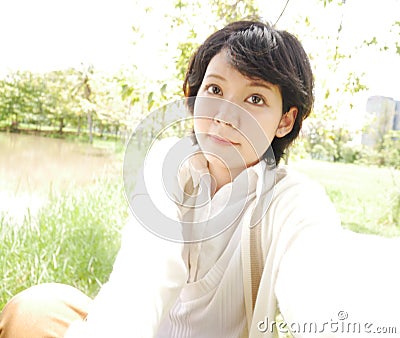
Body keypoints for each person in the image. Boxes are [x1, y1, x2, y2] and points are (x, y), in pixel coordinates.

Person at [1, 20, 399, 338]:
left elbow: (320, 288)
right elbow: (141, 282)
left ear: (285, 120)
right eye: (215, 89)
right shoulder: (168, 166)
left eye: (255, 98)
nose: (227, 114)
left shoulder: (294, 202)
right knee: (37, 309)